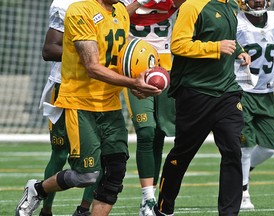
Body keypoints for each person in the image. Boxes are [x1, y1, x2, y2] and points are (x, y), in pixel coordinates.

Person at [15, 0, 162, 215]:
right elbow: (92, 67)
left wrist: (140, 74)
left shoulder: (120, 11)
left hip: (110, 102)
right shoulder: (80, 11)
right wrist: (132, 83)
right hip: (80, 102)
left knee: (114, 171)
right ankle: (37, 189)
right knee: (87, 175)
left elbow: (125, 51)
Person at [152, 0, 251, 215]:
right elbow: (178, 44)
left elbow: (228, 38)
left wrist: (239, 51)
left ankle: (228, 213)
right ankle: (163, 207)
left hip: (227, 92)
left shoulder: (232, 5)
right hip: (195, 92)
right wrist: (216, 48)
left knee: (233, 150)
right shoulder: (192, 6)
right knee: (183, 153)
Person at [119, 0, 182, 215]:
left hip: (165, 66)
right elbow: (115, 18)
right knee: (145, 131)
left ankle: (151, 198)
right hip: (135, 65)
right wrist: (140, 2)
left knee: (158, 134)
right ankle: (147, 198)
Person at [39, 0, 97, 215]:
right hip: (65, 85)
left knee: (101, 154)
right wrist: (87, 53)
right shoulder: (66, 4)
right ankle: (45, 208)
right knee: (60, 152)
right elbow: (49, 49)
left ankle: (83, 210)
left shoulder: (114, 6)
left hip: (99, 89)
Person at [236, 0, 274, 210]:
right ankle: (243, 192)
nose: (258, 1)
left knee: (268, 146)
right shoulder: (235, 23)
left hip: (265, 91)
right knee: (246, 143)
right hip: (241, 90)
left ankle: (239, 173)